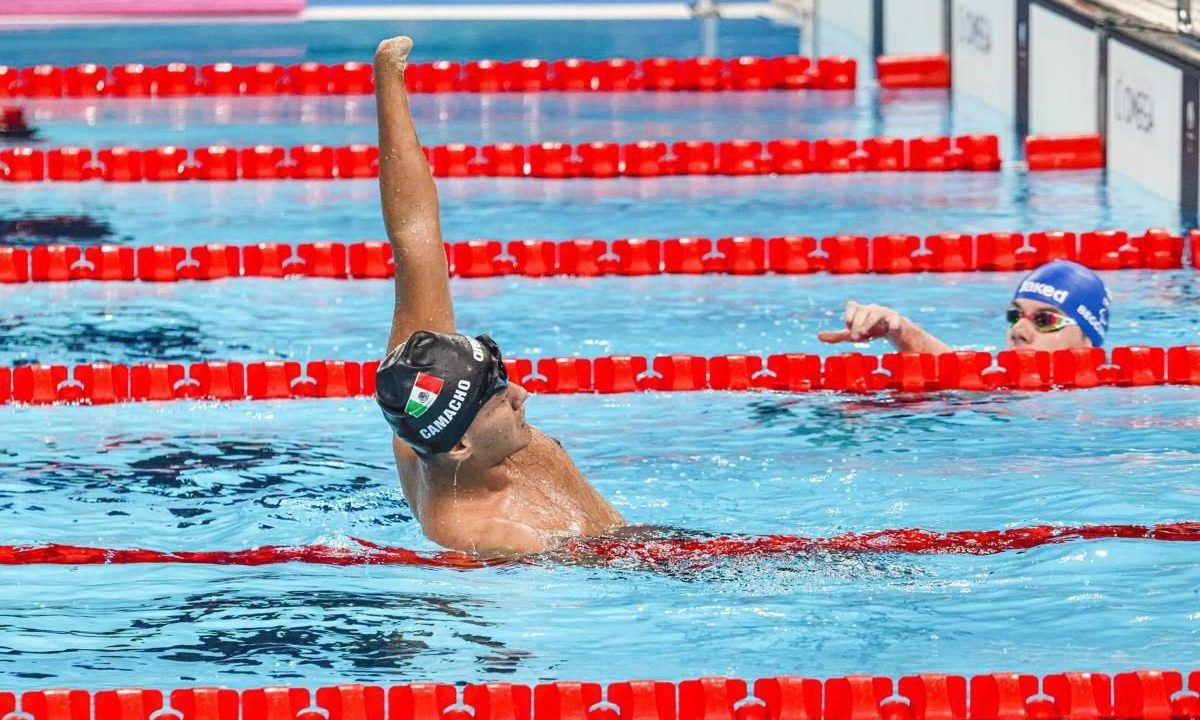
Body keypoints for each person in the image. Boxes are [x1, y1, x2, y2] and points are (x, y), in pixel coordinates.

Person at [370, 36, 625, 557]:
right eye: (500, 399)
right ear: (460, 443)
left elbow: (415, 237)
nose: (522, 395)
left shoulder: (422, 396)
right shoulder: (486, 539)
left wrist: (388, 79)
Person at [817, 260, 1112, 353]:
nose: (1019, 331)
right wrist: (900, 330)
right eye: (1014, 316)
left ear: (1088, 340)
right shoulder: (1000, 389)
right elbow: (951, 364)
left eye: (1045, 320)